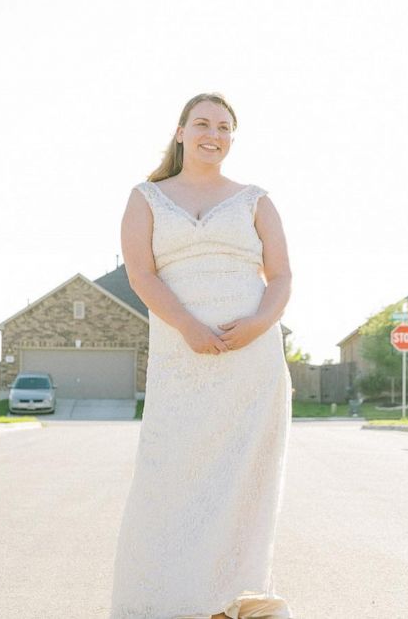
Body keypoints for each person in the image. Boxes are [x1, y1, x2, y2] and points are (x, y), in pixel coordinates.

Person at [109, 93, 294, 619]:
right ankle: (170, 597)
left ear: (232, 137)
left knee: (240, 477)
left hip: (251, 361)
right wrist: (187, 325)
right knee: (173, 476)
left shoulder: (256, 199)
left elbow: (281, 276)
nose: (213, 133)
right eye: (202, 123)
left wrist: (259, 324)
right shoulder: (146, 198)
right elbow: (141, 274)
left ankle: (231, 594)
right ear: (181, 131)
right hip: (181, 354)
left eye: (224, 126)